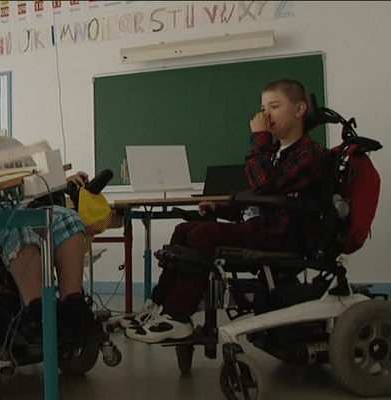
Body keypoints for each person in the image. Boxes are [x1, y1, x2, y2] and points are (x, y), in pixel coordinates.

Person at [124, 78, 325, 343]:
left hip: (284, 235)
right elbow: (261, 198)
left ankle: (178, 316)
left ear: (300, 110)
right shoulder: (275, 152)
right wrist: (222, 209)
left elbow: (263, 185)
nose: (265, 115)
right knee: (183, 229)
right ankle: (160, 307)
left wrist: (260, 138)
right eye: (263, 108)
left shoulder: (309, 153)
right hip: (265, 227)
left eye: (274, 106)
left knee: (204, 235)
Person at [0, 79, 97, 343]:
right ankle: (34, 310)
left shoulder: (12, 145)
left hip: (19, 207)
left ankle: (73, 304)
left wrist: (63, 180)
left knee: (69, 219)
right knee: (20, 222)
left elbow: (36, 181)